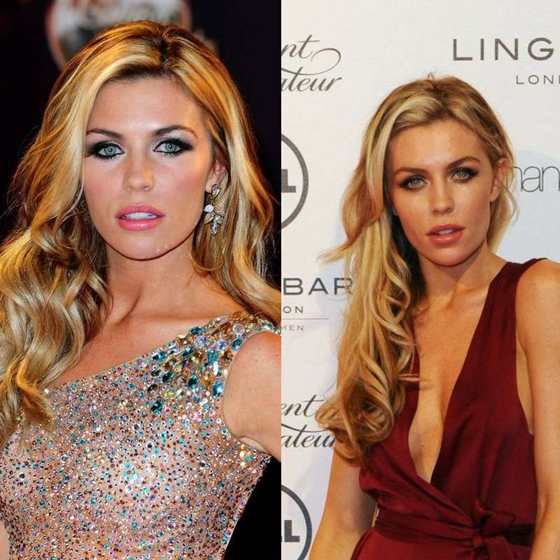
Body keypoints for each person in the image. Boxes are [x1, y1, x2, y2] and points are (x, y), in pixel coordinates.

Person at [0, 21, 280, 559]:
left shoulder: (249, 357)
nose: (138, 177)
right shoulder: (36, 330)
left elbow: (360, 518)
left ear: (217, 169)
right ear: (76, 170)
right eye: (107, 149)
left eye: (169, 146)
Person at [311, 76, 560, 559]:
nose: (441, 202)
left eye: (462, 173)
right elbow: (341, 527)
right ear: (389, 198)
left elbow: (558, 508)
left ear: (498, 178)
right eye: (414, 181)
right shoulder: (376, 329)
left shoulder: (539, 295)